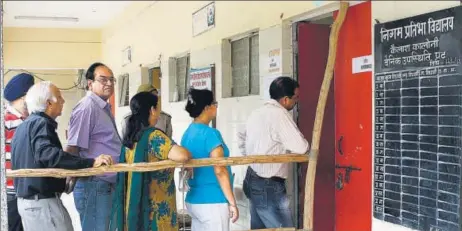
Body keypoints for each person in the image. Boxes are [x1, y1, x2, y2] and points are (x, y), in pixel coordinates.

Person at [11, 81, 113, 231]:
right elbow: (49, 156)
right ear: (48, 103)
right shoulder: (40, 123)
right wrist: (91, 162)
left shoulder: (25, 126)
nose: (63, 101)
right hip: (42, 204)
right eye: (59, 97)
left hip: (31, 204)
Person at [110, 91, 191, 231]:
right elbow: (182, 155)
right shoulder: (154, 137)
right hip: (156, 210)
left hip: (136, 205)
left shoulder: (130, 138)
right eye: (157, 107)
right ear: (152, 110)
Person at [239, 76, 309, 229]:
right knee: (284, 228)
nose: (296, 101)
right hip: (268, 185)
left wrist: (252, 156)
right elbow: (301, 147)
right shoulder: (279, 115)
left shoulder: (257, 112)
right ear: (285, 99)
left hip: (252, 177)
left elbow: (241, 137)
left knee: (260, 228)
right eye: (295, 98)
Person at [65, 62, 122, 231]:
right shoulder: (87, 107)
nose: (109, 84)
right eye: (103, 80)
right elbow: (73, 147)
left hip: (104, 183)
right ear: (90, 83)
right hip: (94, 183)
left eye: (112, 80)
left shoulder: (102, 107)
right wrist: (70, 178)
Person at [181, 88, 238, 231]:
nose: (216, 107)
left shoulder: (188, 133)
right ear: (207, 108)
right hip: (213, 201)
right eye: (215, 103)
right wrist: (232, 202)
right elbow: (220, 170)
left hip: (194, 200)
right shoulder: (211, 134)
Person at [3, 73, 35, 231]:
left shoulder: (26, 120)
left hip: (25, 190)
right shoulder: (7, 120)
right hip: (11, 192)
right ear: (24, 97)